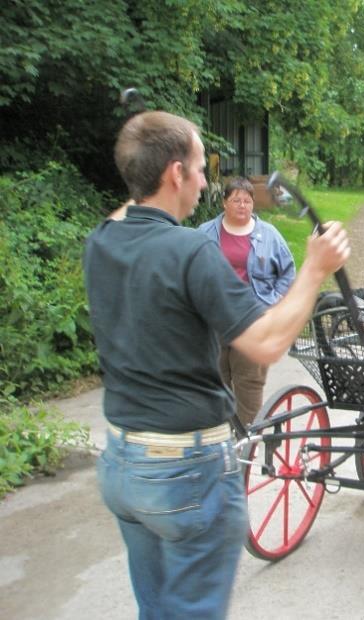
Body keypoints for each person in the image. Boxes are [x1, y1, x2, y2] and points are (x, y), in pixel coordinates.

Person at [83, 110, 349, 619]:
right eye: (201, 168)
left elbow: (130, 204)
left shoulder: (102, 242)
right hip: (188, 473)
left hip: (122, 467)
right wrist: (315, 269)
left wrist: (145, 146)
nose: (207, 182)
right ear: (175, 173)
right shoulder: (191, 251)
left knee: (157, 611)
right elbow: (267, 343)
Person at [198, 177, 296, 427]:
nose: (242, 205)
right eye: (236, 200)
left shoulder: (269, 235)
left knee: (249, 385)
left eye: (247, 200)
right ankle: (220, 440)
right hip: (215, 320)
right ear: (224, 203)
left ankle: (248, 443)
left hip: (252, 321)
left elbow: (288, 272)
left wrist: (272, 301)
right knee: (214, 382)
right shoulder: (205, 233)